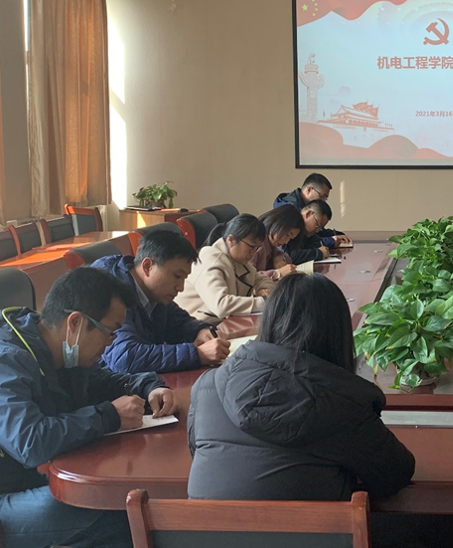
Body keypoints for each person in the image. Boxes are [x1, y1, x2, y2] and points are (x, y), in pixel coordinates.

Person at [187, 273, 416, 502]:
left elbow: (197, 452)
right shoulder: (343, 405)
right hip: (316, 526)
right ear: (338, 335)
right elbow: (395, 474)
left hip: (205, 525)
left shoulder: (207, 385)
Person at [0, 266, 178, 548]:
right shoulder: (8, 361)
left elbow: (107, 381)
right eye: (110, 332)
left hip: (45, 475)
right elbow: (30, 442)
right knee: (119, 510)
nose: (110, 344)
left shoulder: (64, 351)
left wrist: (150, 387)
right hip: (8, 497)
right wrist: (109, 415)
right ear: (75, 322)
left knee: (130, 501)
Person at [95, 231, 230, 373]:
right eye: (177, 276)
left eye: (184, 278)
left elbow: (179, 322)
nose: (181, 287)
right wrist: (197, 354)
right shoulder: (111, 294)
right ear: (148, 266)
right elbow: (125, 358)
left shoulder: (154, 294)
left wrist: (201, 331)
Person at [175, 213, 275, 324]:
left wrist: (264, 290)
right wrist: (263, 302)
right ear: (231, 240)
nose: (253, 253)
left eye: (257, 248)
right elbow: (221, 305)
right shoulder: (211, 260)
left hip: (220, 324)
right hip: (194, 326)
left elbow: (262, 279)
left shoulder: (237, 260)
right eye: (251, 246)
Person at [272, 172, 352, 248]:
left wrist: (336, 234)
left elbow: (314, 231)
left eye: (325, 198)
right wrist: (328, 241)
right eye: (322, 196)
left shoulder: (303, 206)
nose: (323, 201)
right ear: (309, 190)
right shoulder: (290, 210)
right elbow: (300, 243)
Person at [250, 204, 305, 279]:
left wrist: (280, 257)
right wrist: (277, 273)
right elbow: (249, 277)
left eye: (291, 238)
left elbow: (286, 257)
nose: (286, 241)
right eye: (287, 235)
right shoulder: (256, 242)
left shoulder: (271, 244)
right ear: (278, 224)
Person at [284, 200, 334, 265]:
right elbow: (288, 256)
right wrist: (318, 253)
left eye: (320, 228)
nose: (317, 231)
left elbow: (316, 244)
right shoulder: (291, 222)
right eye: (317, 225)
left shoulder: (307, 232)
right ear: (308, 214)